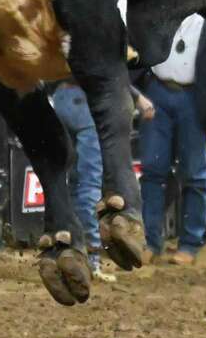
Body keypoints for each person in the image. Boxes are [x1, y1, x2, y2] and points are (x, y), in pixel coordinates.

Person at [134, 14, 206, 266]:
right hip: (156, 91)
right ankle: (150, 242)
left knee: (194, 174)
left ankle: (189, 244)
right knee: (153, 170)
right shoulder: (163, 4)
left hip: (195, 99)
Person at [48, 78, 154, 280]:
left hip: (60, 97)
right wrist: (137, 96)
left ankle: (70, 249)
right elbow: (102, 68)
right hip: (87, 98)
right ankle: (92, 261)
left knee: (70, 182)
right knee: (89, 185)